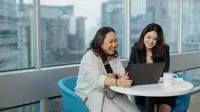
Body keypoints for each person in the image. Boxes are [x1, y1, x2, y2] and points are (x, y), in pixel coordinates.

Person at [75, 27, 139, 112]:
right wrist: (116, 81)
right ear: (100, 43)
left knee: (134, 110)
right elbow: (96, 81)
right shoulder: (89, 56)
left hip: (110, 92)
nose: (114, 44)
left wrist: (113, 77)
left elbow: (121, 74)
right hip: (92, 94)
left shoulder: (113, 55)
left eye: (115, 41)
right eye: (111, 42)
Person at [125, 23, 176, 112]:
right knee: (152, 103)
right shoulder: (136, 48)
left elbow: (165, 70)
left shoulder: (164, 49)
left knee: (164, 108)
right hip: (144, 91)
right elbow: (129, 68)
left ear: (158, 40)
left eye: (155, 39)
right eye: (148, 37)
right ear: (143, 36)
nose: (151, 41)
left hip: (162, 89)